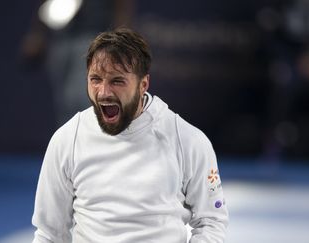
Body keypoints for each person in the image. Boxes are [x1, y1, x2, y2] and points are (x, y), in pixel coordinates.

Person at [31, 28, 229, 243]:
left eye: (117, 81)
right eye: (95, 79)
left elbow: (211, 222)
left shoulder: (188, 140)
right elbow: (49, 234)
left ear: (143, 84)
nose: (104, 92)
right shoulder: (67, 140)